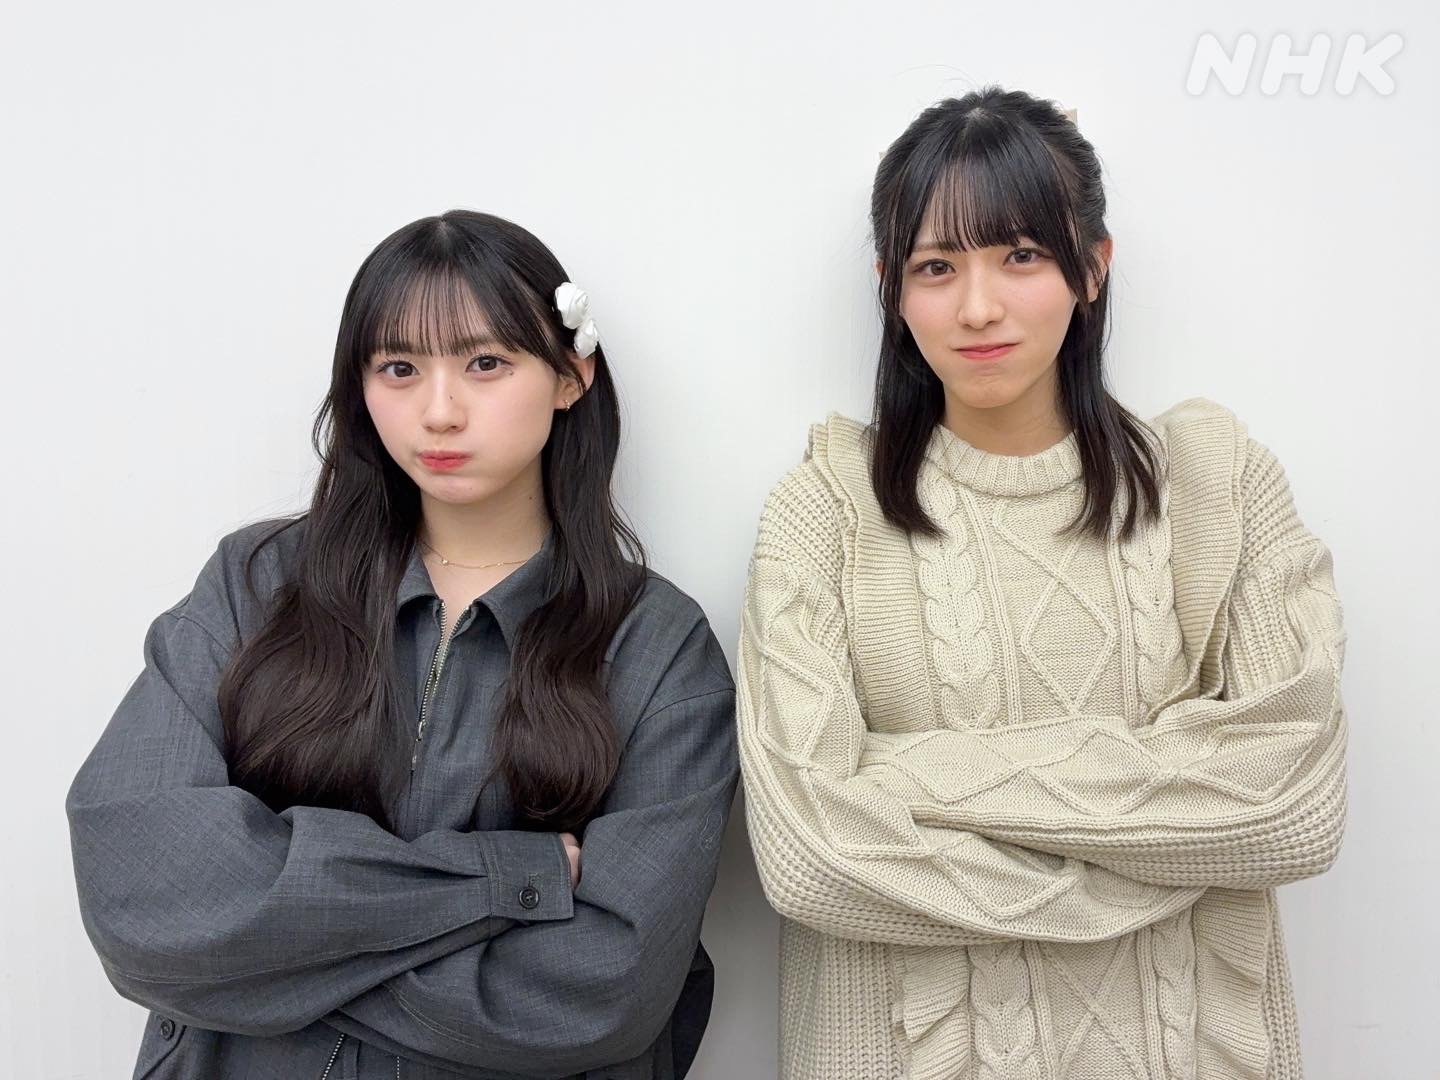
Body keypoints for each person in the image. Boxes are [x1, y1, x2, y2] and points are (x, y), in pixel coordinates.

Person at [736, 86, 1347, 1079]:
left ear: (1092, 268)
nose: (978, 306)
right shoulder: (826, 510)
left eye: (1021, 255)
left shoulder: (1218, 485)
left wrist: (898, 777)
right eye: (937, 267)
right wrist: (1174, 835)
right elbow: (809, 857)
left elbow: (1293, 804)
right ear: (893, 288)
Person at [66, 210, 739, 1080]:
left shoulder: (655, 645)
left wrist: (264, 963)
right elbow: (143, 890)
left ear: (572, 376)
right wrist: (507, 880)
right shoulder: (257, 584)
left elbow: (608, 989)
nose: (439, 411)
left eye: (485, 363)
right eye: (399, 368)